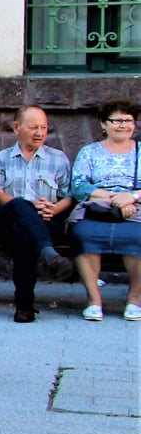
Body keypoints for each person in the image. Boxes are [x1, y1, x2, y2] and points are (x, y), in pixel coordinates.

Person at [0, 106, 75, 323]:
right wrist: (31, 206)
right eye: (34, 127)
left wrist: (54, 209)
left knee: (24, 237)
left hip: (47, 220)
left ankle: (24, 306)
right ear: (17, 127)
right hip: (8, 220)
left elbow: (68, 196)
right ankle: (49, 254)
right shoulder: (0, 159)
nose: (39, 133)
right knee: (19, 207)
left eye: (43, 127)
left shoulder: (58, 159)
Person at [66, 97, 141, 322]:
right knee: (84, 233)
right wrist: (115, 199)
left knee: (138, 237)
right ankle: (94, 300)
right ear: (103, 124)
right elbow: (79, 186)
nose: (123, 125)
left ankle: (135, 300)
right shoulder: (89, 152)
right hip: (97, 207)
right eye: (117, 121)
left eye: (128, 120)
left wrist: (132, 197)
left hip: (136, 207)